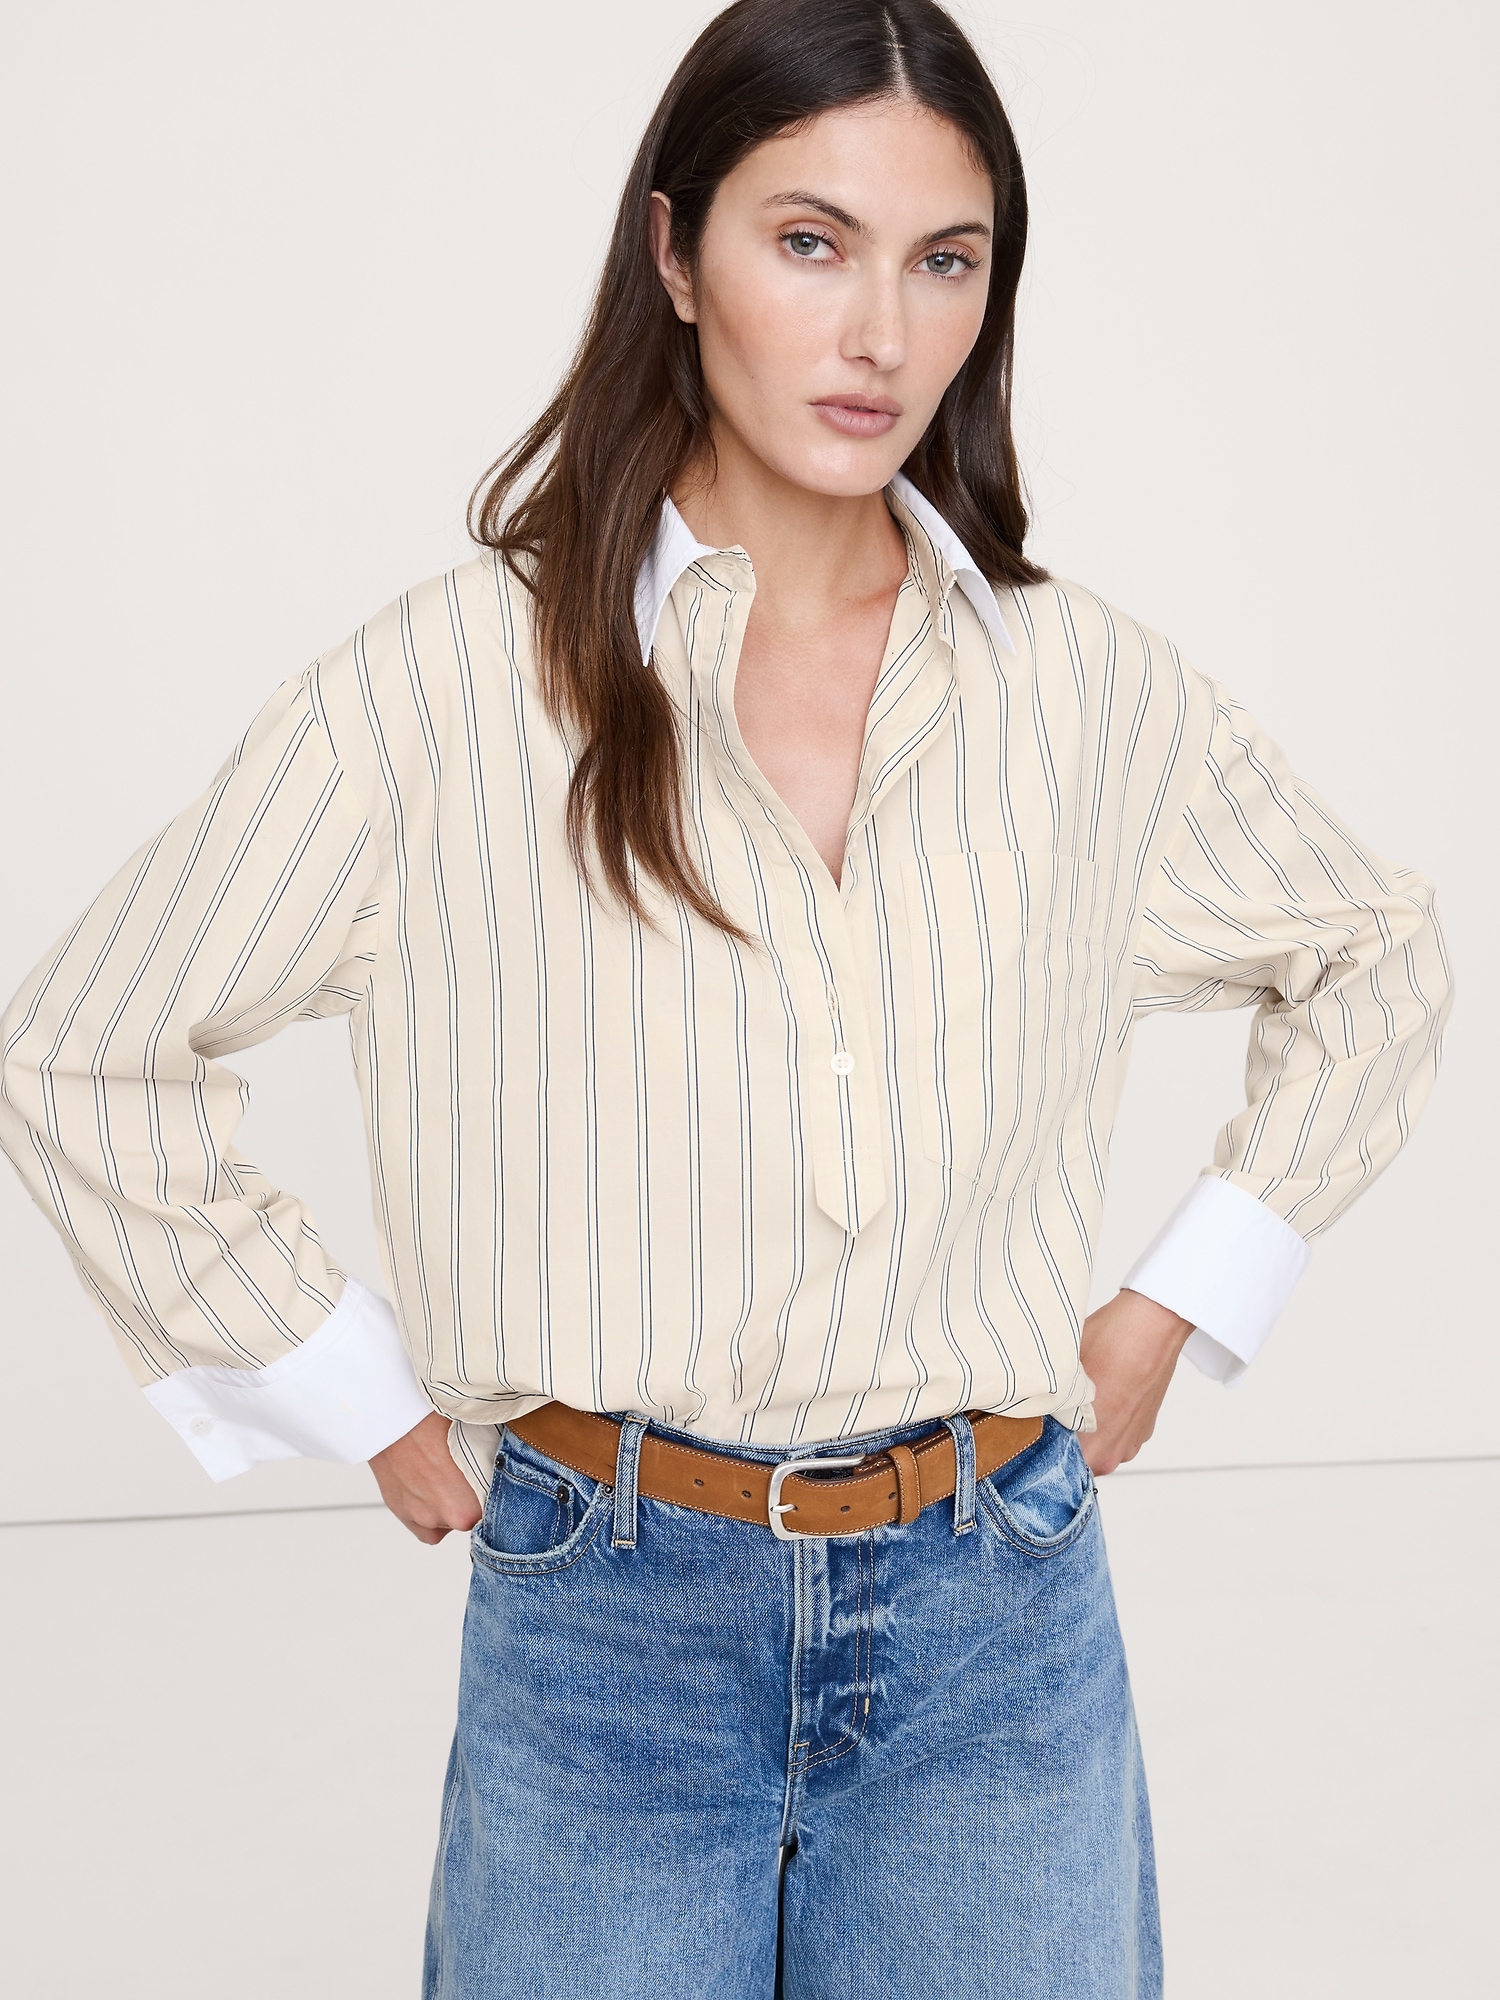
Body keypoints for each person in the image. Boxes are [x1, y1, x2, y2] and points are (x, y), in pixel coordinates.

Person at [0, 1, 1450, 1993]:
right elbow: (86, 1043)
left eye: (947, 260)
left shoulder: (1082, 691)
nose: (883, 333)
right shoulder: (452, 686)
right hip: (604, 1630)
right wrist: (355, 1390)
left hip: (998, 1629)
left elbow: (1377, 954)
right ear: (677, 254)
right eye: (811, 242)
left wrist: (1180, 1298)